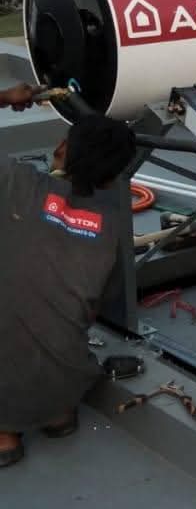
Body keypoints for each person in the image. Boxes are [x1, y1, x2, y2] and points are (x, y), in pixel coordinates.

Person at [0, 83, 137, 468]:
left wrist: (6, 98)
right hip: (68, 377)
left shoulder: (14, 182)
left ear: (61, 148)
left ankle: (6, 437)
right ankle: (57, 416)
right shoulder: (111, 231)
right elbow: (92, 308)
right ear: (111, 179)